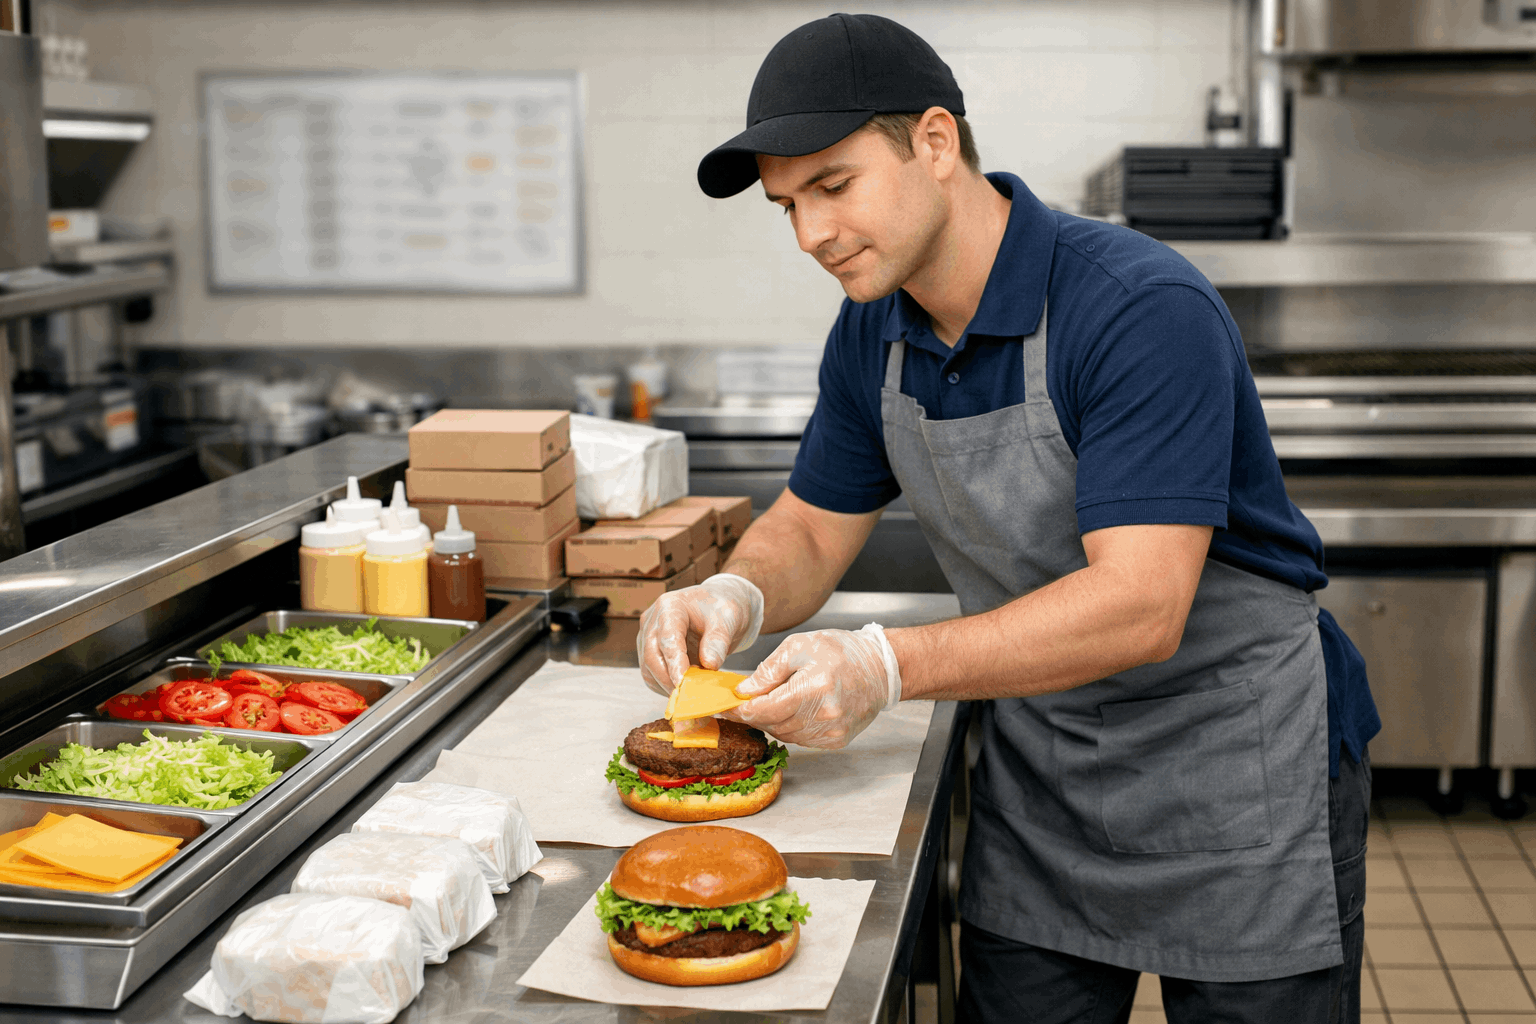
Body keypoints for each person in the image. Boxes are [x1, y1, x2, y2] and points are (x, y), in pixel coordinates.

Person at [638, 13, 1379, 1023]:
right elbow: (812, 527)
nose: (811, 235)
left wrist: (885, 667)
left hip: (1234, 768)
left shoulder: (1133, 308)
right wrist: (733, 590)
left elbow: (1140, 605)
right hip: (1051, 778)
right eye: (787, 206)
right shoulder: (874, 331)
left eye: (834, 186)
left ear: (935, 143)